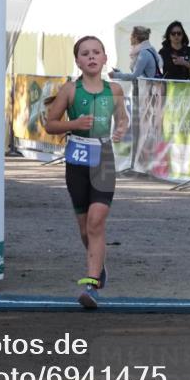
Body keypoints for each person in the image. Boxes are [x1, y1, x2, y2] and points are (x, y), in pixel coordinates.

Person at [45, 36, 129, 309]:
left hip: (103, 158)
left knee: (96, 220)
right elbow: (50, 124)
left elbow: (123, 117)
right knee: (85, 227)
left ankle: (91, 285)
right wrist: (75, 123)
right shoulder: (70, 90)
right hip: (77, 161)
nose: (91, 57)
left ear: (105, 58)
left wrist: (121, 129)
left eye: (96, 52)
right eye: (85, 53)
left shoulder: (114, 90)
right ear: (78, 61)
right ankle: (100, 264)